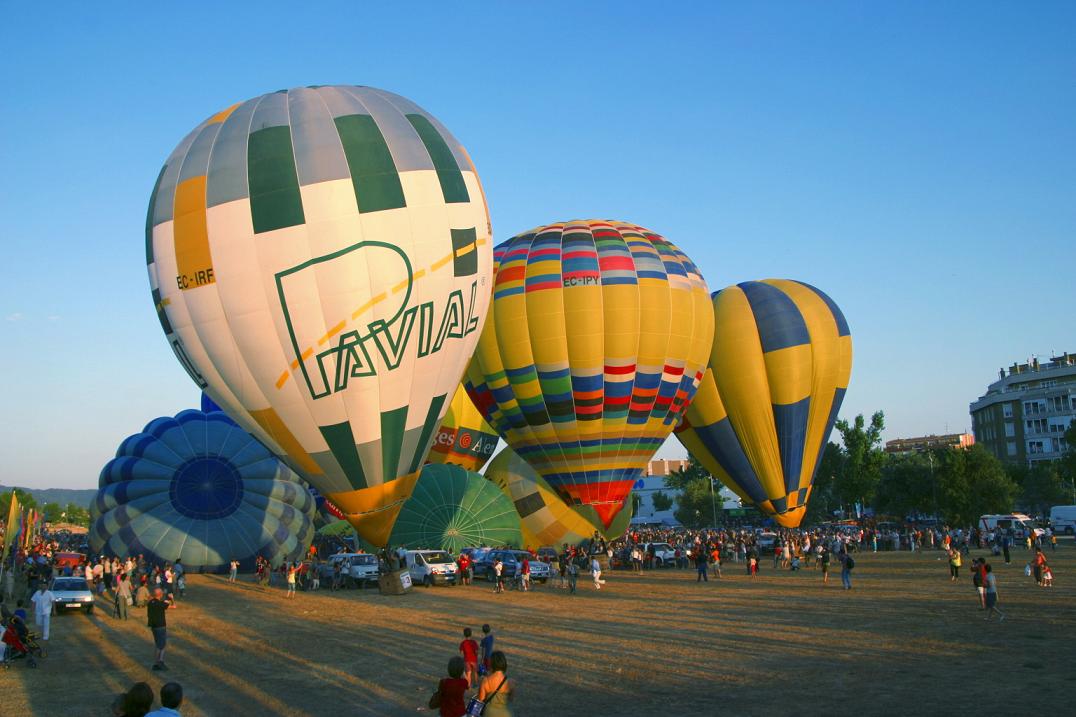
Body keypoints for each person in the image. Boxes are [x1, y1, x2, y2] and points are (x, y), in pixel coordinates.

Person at [476, 650, 513, 717]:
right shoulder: (511, 682)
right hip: (505, 713)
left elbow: (480, 699)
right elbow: (510, 699)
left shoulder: (486, 681)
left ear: (491, 663)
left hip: (489, 713)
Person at [147, 588, 170, 671]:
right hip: (160, 626)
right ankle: (160, 662)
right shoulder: (160, 603)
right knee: (162, 645)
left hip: (153, 626)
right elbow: (169, 605)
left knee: (157, 645)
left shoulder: (150, 603)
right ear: (160, 594)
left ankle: (156, 663)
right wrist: (171, 598)